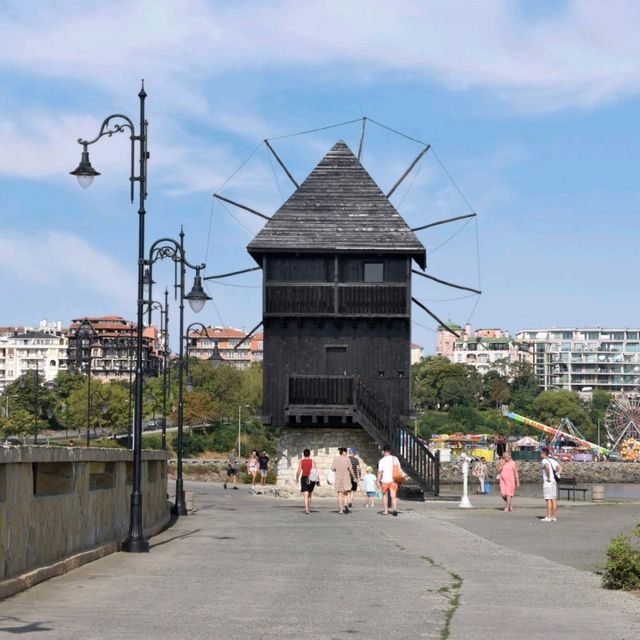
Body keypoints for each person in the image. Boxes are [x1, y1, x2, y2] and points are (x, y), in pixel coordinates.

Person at [377, 444, 400, 516]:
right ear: (390, 451)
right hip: (393, 480)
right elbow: (399, 469)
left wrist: (378, 481)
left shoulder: (382, 460)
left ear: (383, 451)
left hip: (385, 481)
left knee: (385, 496)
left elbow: (380, 472)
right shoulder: (395, 458)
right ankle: (395, 510)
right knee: (393, 496)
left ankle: (386, 511)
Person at [541, 446, 562, 522]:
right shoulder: (552, 460)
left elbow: (546, 467)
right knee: (553, 499)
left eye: (541, 453)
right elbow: (560, 468)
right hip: (554, 482)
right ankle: (554, 516)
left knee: (548, 499)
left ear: (544, 454)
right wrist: (557, 474)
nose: (540, 454)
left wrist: (549, 476)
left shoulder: (544, 460)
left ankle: (548, 517)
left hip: (548, 482)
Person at [331, 447, 354, 514]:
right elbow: (350, 469)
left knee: (339, 494)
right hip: (346, 478)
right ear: (344, 452)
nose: (347, 453)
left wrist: (337, 469)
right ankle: (345, 506)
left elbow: (332, 468)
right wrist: (354, 476)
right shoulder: (347, 459)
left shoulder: (336, 459)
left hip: (338, 478)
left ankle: (341, 510)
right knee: (346, 493)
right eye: (346, 452)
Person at [295, 448, 318, 514]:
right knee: (310, 494)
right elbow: (315, 471)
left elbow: (299, 471)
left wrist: (297, 478)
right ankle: (308, 508)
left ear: (303, 454)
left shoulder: (301, 461)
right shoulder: (312, 461)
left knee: (305, 494)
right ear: (309, 454)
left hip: (304, 478)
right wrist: (317, 480)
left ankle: (306, 508)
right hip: (311, 478)